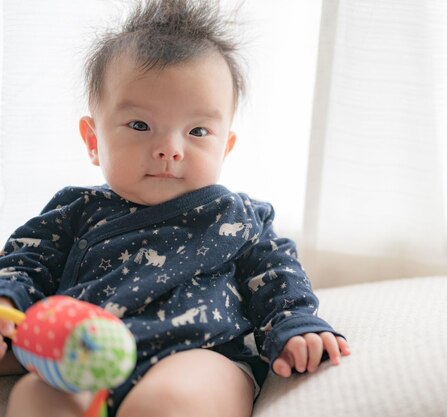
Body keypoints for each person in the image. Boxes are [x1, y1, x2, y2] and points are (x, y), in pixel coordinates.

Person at [0, 0, 350, 416]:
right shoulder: (75, 210)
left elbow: (277, 276)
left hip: (199, 352)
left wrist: (295, 327)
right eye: (140, 126)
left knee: (170, 402)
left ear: (226, 146)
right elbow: (23, 263)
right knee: (34, 397)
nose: (169, 149)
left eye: (198, 130)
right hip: (82, 354)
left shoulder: (237, 216)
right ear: (93, 140)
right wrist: (7, 305)